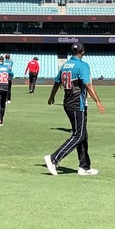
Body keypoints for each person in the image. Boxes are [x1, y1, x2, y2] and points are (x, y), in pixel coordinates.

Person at [43, 42, 105, 176]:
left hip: (68, 102)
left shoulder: (65, 65)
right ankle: (54, 158)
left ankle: (85, 166)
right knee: (79, 135)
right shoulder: (82, 65)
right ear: (83, 52)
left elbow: (56, 83)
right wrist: (98, 101)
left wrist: (51, 97)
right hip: (78, 103)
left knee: (83, 135)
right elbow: (88, 85)